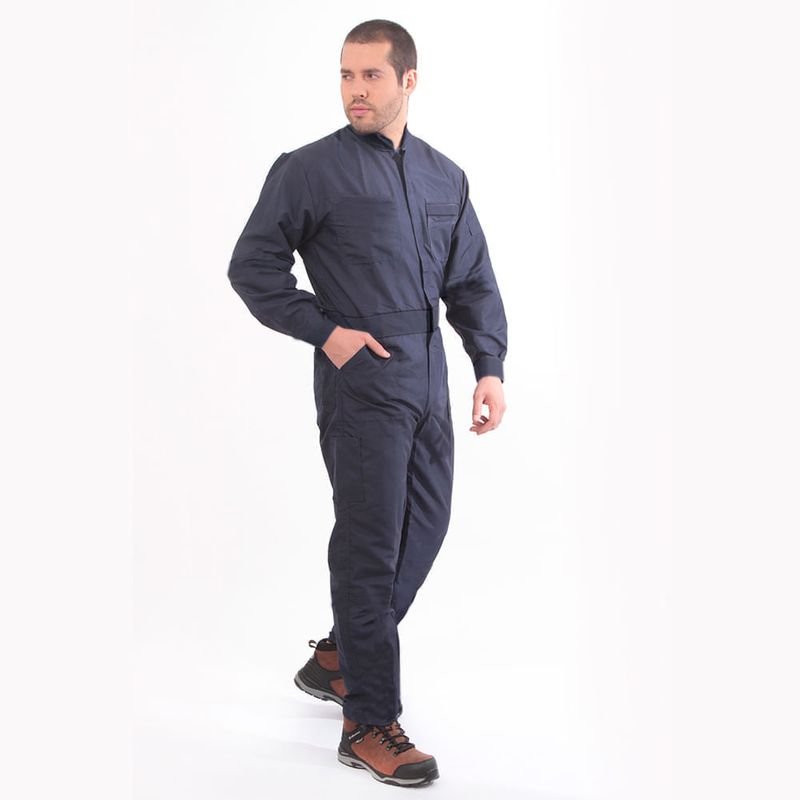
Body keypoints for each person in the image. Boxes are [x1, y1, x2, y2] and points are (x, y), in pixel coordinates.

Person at [227, 19, 508, 787]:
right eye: (347, 75)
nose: (355, 90)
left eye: (371, 76)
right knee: (370, 546)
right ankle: (368, 723)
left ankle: (338, 659)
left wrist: (488, 366)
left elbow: (471, 280)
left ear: (408, 81)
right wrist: (326, 332)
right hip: (363, 380)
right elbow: (253, 267)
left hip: (430, 377)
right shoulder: (310, 171)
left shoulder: (445, 176)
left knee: (428, 526)